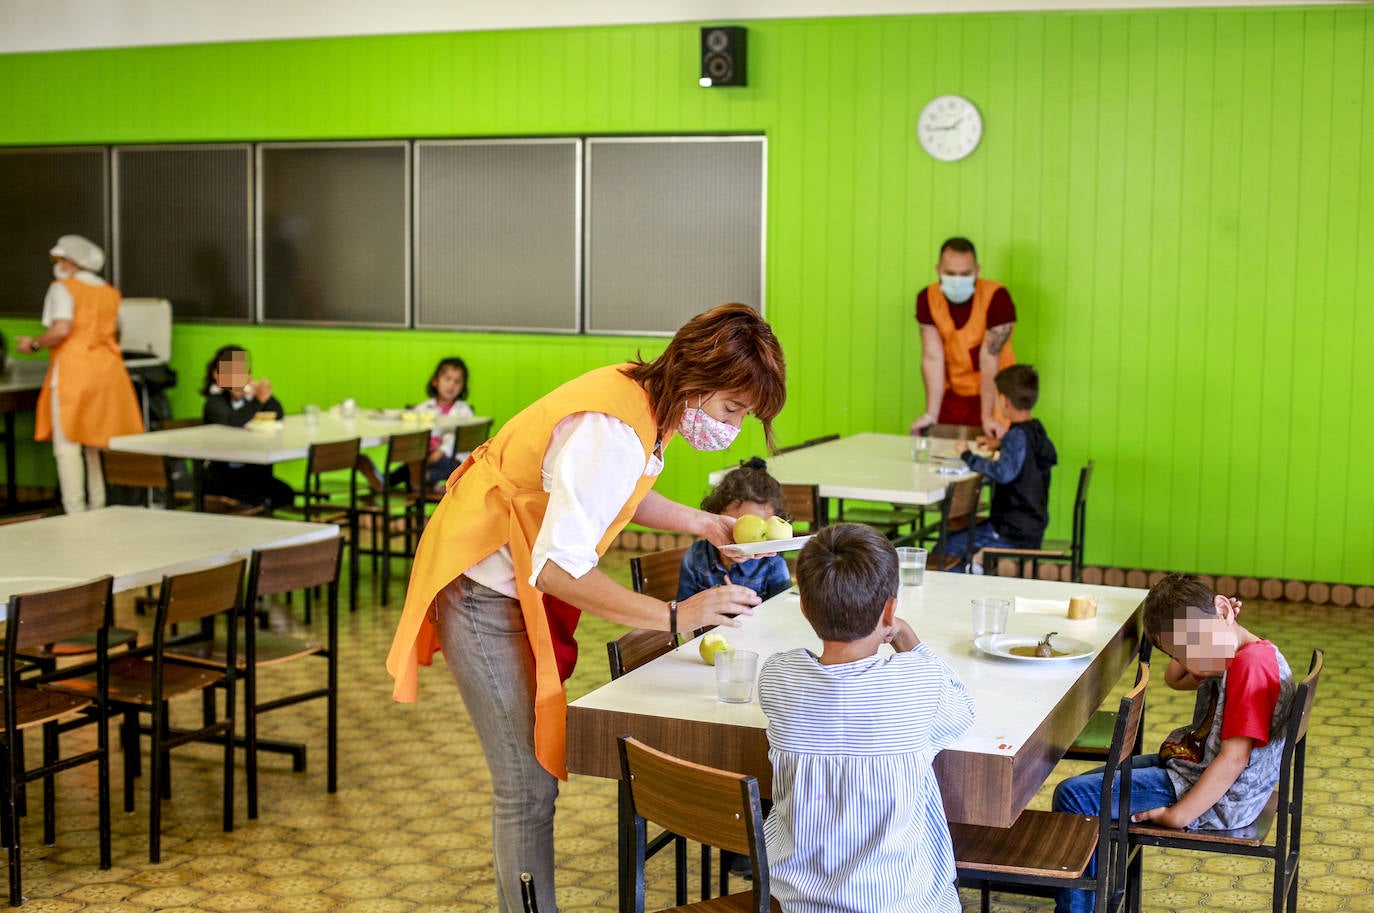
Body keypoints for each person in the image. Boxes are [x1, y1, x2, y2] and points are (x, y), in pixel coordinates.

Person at [385, 303, 787, 913]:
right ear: (697, 378)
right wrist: (676, 616)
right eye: (732, 408)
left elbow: (623, 491)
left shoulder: (643, 400)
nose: (732, 427)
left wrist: (706, 522)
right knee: (526, 785)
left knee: (533, 781)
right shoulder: (613, 429)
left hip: (513, 577)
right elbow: (556, 568)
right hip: (483, 585)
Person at [759, 523, 974, 913]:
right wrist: (907, 638)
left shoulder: (778, 676)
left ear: (804, 608)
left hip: (796, 901)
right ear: (890, 610)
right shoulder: (918, 682)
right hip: (901, 903)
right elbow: (962, 711)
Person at [1051, 573, 1295, 913]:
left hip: (1223, 798)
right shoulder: (1236, 652)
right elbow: (1174, 679)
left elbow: (1234, 759)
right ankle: (1090, 898)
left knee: (1075, 797)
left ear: (1225, 610)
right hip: (1199, 771)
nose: (1191, 663)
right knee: (1087, 787)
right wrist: (1215, 626)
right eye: (1179, 653)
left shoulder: (1249, 667)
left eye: (1193, 647)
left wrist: (1178, 816)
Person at [14, 234, 144, 515]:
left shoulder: (63, 288)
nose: (57, 265)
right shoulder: (109, 292)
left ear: (70, 261)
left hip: (74, 372)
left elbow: (61, 328)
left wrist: (34, 344)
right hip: (108, 372)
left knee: (68, 445)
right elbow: (117, 331)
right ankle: (98, 506)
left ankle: (75, 510)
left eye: (60, 260)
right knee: (96, 442)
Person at [946, 364, 1057, 572]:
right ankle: (976, 566)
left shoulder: (1016, 436)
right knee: (957, 540)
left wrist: (968, 456)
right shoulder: (1036, 430)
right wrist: (1001, 445)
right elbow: (1031, 458)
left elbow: (1003, 473)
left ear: (1004, 401)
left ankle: (971, 575)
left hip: (1011, 532)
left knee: (947, 548)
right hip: (1032, 527)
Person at [910, 237, 1017, 439]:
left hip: (994, 394)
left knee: (992, 451)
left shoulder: (997, 298)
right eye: (950, 274)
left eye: (965, 274)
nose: (957, 280)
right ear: (938, 270)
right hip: (953, 395)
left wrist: (987, 417)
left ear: (977, 271)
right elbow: (932, 357)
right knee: (944, 452)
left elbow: (989, 359)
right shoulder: (928, 299)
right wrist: (931, 414)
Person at [677, 456, 792, 603]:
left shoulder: (773, 566)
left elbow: (782, 612)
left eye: (760, 532)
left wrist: (748, 610)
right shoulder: (695, 557)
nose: (742, 542)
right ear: (716, 515)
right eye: (735, 526)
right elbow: (683, 608)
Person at [359, 356, 477, 492]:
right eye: (447, 379)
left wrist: (440, 452)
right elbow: (411, 429)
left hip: (449, 459)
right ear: (435, 381)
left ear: (463, 387)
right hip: (423, 457)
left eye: (457, 381)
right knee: (407, 468)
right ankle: (383, 481)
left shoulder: (463, 411)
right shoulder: (424, 407)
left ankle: (423, 480)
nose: (451, 385)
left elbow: (457, 438)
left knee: (447, 465)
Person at [200, 345, 295, 509]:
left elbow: (277, 413)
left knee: (284, 494)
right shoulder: (215, 402)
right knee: (256, 495)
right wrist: (258, 401)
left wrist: (264, 396)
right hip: (223, 476)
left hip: (252, 471)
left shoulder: (249, 400)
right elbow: (233, 422)